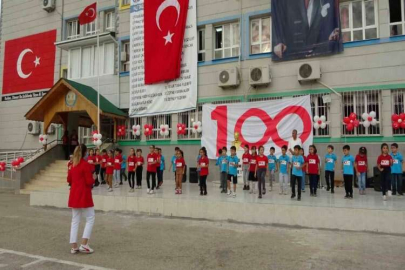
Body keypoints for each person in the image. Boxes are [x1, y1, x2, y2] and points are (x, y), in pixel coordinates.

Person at [272, 0, 342, 61]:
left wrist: (330, 37)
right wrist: (278, 42)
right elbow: (277, 19)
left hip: (321, 56)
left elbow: (326, 27)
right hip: (292, 56)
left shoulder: (324, 2)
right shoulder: (286, 3)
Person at [67, 144, 95, 254]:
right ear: (84, 153)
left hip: (74, 194)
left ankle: (74, 246)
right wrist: (94, 178)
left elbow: (69, 179)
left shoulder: (72, 165)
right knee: (90, 218)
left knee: (75, 220)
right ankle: (84, 243)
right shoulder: (85, 165)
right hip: (84, 195)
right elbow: (89, 181)